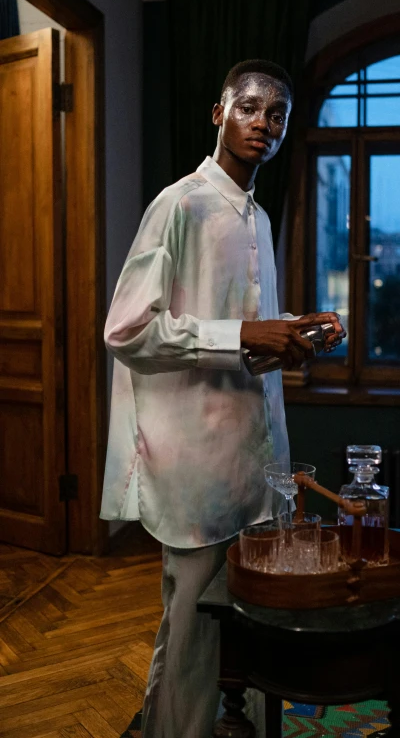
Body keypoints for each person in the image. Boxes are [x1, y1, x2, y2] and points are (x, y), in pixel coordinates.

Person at [100, 59, 346, 738]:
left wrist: (294, 332)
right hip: (197, 461)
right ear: (218, 113)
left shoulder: (259, 217)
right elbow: (125, 328)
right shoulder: (178, 204)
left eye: (277, 115)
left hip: (257, 454)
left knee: (256, 618)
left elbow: (244, 334)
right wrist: (242, 333)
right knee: (193, 626)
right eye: (250, 107)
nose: (263, 122)